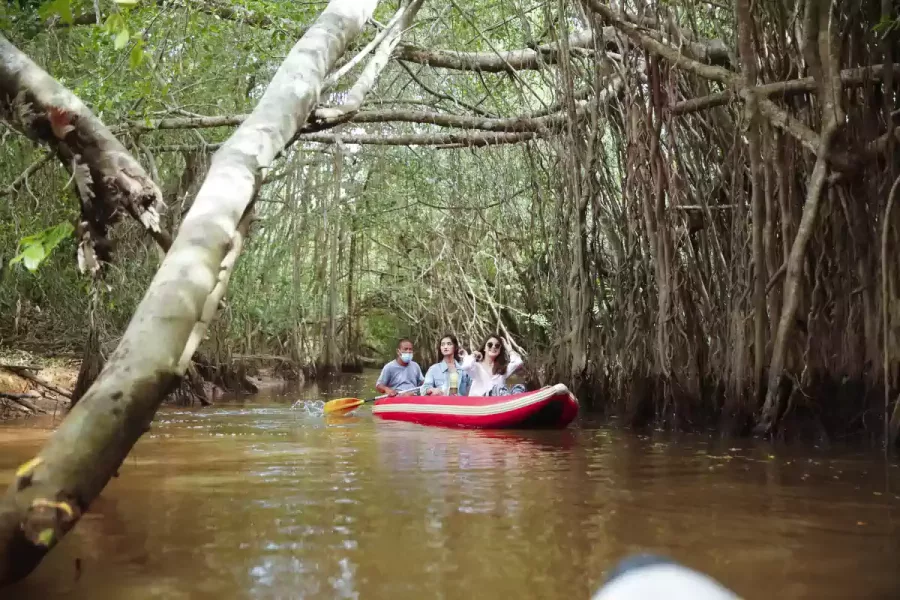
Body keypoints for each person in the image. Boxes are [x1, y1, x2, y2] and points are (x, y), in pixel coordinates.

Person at [460, 333, 526, 397]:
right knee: (497, 389)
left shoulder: (502, 370)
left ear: (499, 350)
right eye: (490, 344)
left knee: (519, 387)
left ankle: (515, 402)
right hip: (478, 404)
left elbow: (518, 362)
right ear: (484, 348)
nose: (494, 347)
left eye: (497, 345)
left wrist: (509, 350)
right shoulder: (476, 366)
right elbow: (466, 366)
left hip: (495, 404)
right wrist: (474, 355)